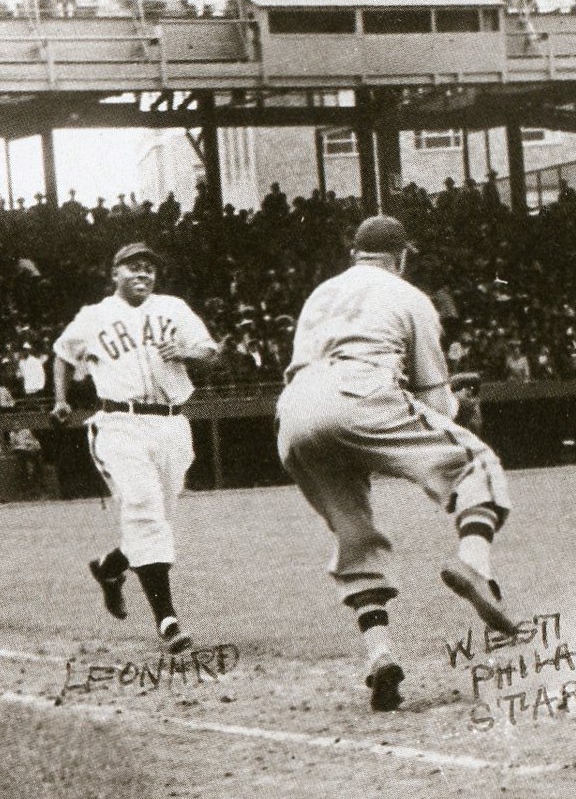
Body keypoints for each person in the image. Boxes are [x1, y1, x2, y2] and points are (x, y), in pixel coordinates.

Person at [275, 215, 514, 713]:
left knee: (354, 535)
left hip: (294, 413)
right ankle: (473, 561)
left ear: (355, 254)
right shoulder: (409, 296)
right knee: (476, 462)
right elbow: (436, 399)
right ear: (402, 255)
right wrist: (459, 411)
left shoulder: (321, 293)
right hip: (360, 391)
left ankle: (381, 655)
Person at [50, 242, 218, 655]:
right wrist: (60, 399)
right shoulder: (94, 317)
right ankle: (168, 620)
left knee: (157, 520)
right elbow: (61, 354)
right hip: (119, 422)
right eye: (134, 267)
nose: (143, 274)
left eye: (149, 268)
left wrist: (189, 351)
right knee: (144, 510)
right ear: (115, 273)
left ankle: (110, 569)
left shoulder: (174, 308)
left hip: (172, 423)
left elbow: (212, 352)